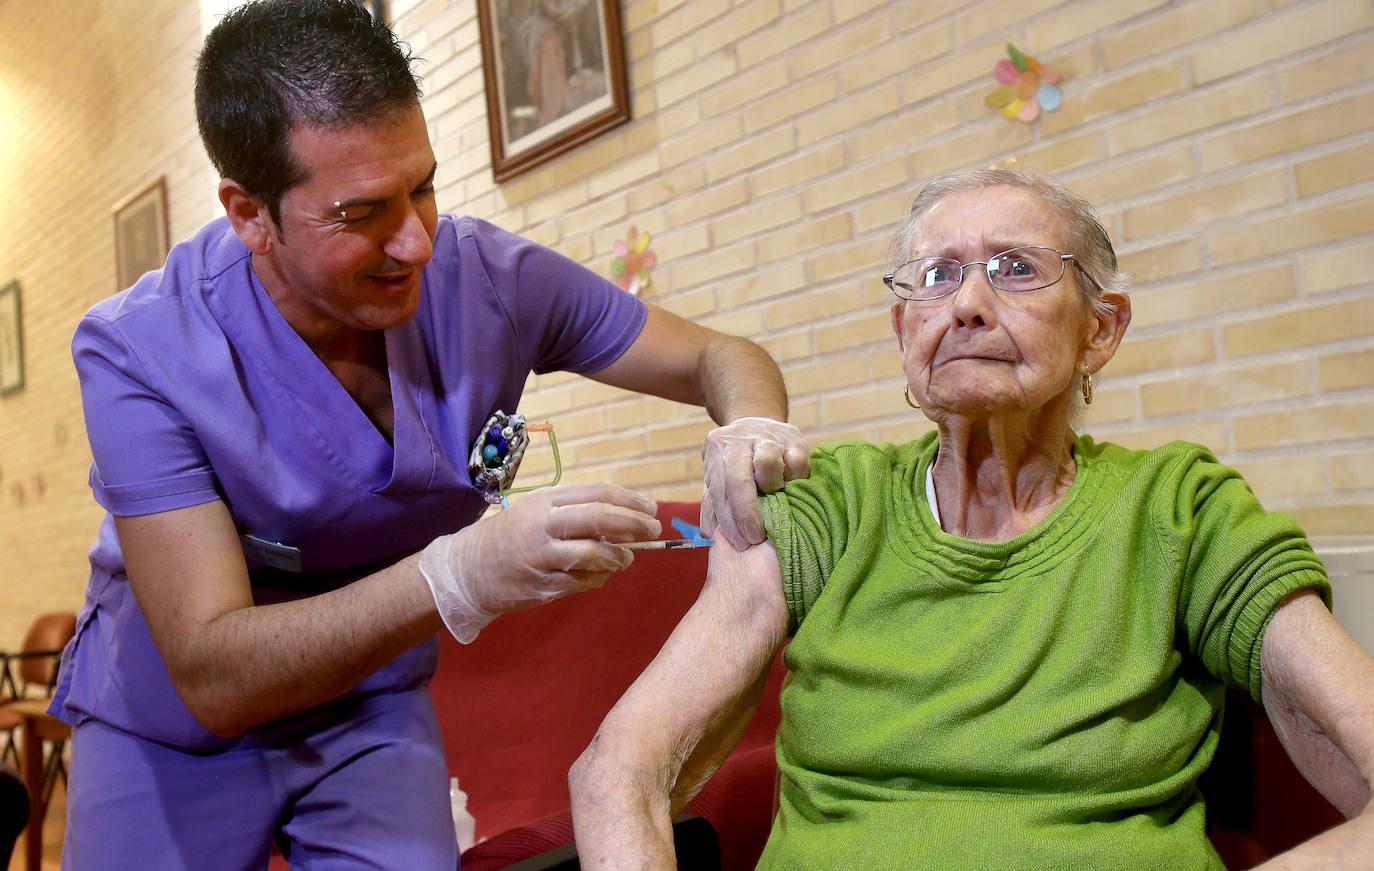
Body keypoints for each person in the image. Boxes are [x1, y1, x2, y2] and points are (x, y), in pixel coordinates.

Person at [49, 1, 808, 867]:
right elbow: (213, 671)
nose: (415, 240)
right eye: (362, 212)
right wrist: (458, 574)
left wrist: (750, 423)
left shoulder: (486, 279)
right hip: (174, 724)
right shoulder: (140, 348)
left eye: (423, 185)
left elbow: (718, 355)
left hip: (370, 700)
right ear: (250, 214)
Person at [569, 169, 1374, 869]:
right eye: (938, 275)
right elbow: (620, 768)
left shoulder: (1180, 510)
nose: (969, 306)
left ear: (1100, 330)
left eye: (1016, 268)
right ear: (903, 330)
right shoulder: (830, 504)